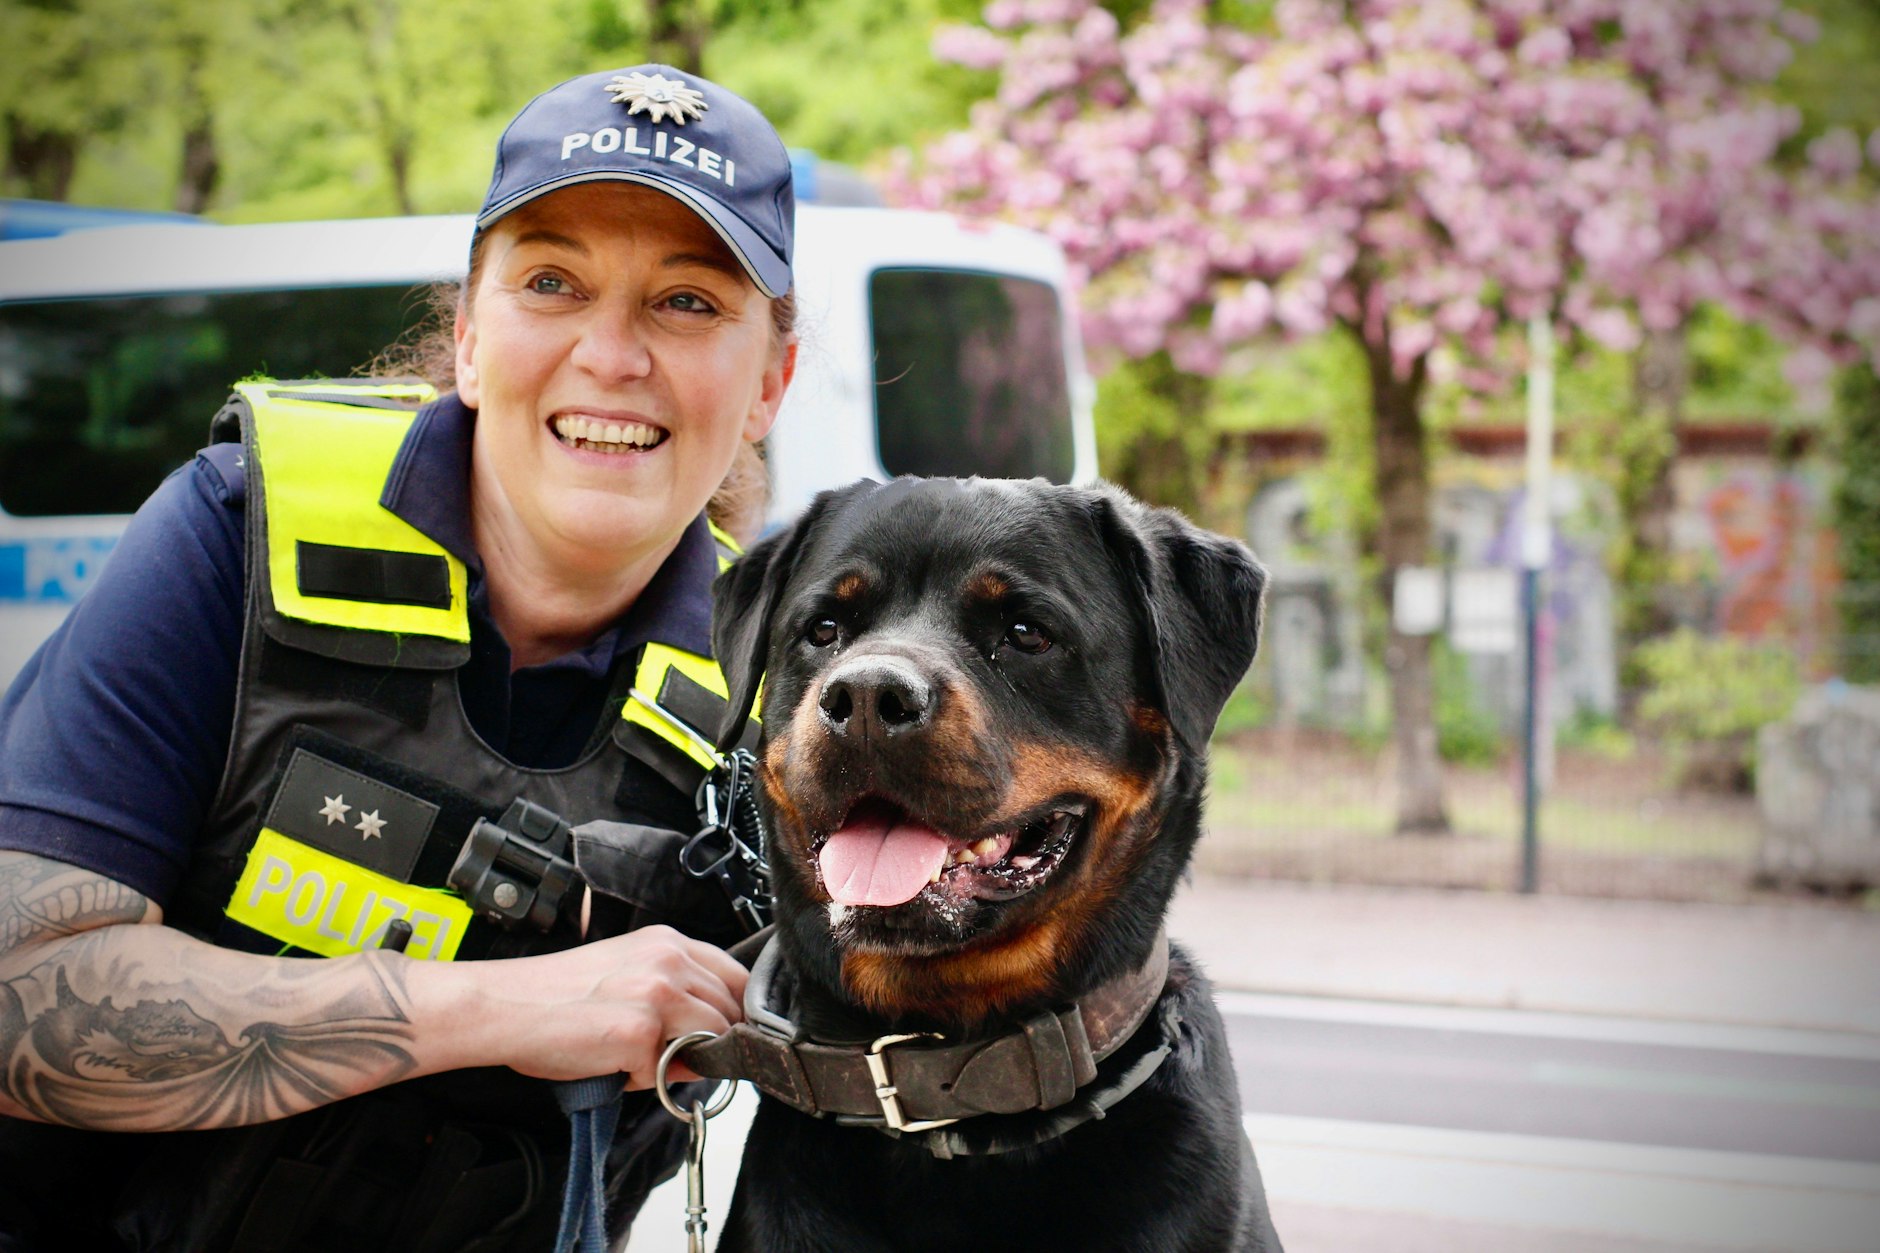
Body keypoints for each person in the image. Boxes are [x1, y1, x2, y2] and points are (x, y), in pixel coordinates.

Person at [0, 63, 796, 1251]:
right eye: (550, 282)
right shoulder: (235, 530)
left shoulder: (777, 693)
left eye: (687, 301)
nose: (612, 354)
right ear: (470, 340)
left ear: (769, 384)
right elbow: (17, 1002)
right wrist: (504, 1006)